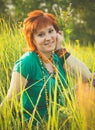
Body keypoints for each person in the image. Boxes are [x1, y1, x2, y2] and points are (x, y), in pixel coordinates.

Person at [0, 10, 93, 128]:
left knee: (90, 85)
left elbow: (87, 77)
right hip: (37, 125)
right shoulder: (27, 63)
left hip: (61, 120)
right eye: (41, 34)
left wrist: (60, 49)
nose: (48, 38)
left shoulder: (57, 58)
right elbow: (10, 101)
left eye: (50, 31)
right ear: (32, 39)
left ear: (58, 33)